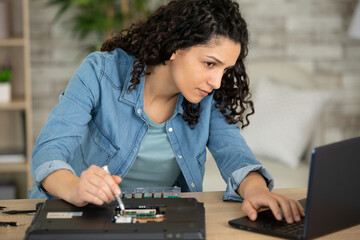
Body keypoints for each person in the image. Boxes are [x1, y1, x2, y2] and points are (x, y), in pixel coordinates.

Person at [30, 0, 305, 224]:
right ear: (176, 47)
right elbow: (50, 151)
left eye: (225, 69)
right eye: (210, 64)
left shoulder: (208, 96)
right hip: (89, 217)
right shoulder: (100, 73)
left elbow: (233, 151)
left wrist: (256, 191)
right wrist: (75, 188)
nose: (217, 82)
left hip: (162, 220)